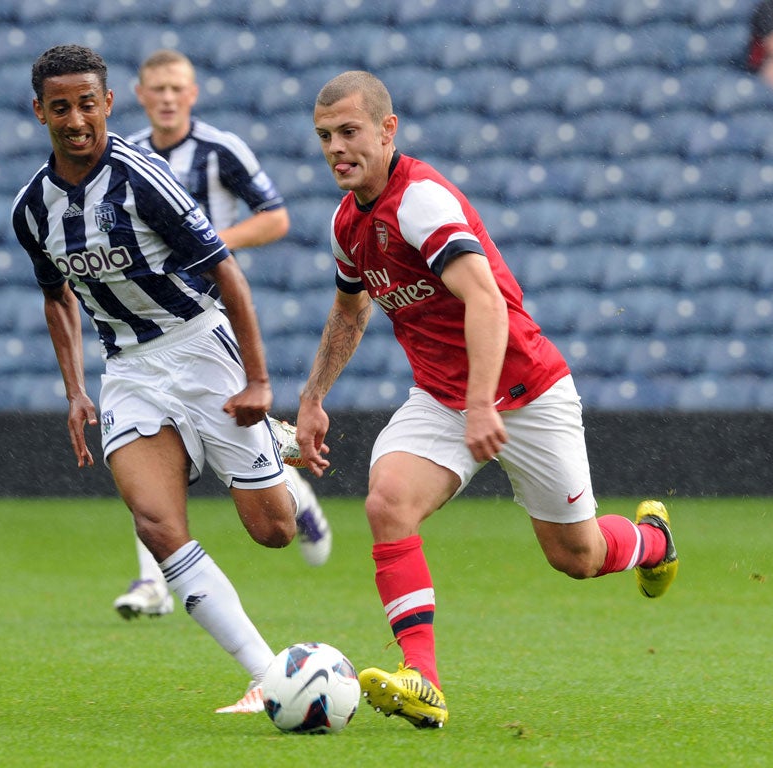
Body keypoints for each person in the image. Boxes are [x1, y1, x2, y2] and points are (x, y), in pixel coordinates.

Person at [295, 71, 679, 729]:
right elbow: (348, 311)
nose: (336, 147)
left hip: (526, 393)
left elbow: (486, 302)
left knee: (577, 558)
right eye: (326, 135)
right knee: (387, 501)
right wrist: (312, 398)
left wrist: (482, 404)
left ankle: (652, 542)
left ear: (388, 131)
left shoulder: (421, 202)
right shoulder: (346, 224)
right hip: (445, 401)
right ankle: (424, 679)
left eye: (350, 132)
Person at [12, 44, 310, 714]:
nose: (76, 118)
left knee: (274, 532)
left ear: (108, 104)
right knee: (154, 521)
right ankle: (267, 675)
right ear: (40, 112)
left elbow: (225, 271)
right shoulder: (32, 209)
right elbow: (56, 296)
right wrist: (76, 390)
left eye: (88, 103)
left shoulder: (143, 177)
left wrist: (258, 382)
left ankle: (272, 439)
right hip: (130, 371)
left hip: (200, 348)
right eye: (61, 107)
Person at [112, 49, 330, 622]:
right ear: (140, 94)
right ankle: (152, 582)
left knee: (217, 441)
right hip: (150, 324)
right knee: (150, 437)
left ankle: (278, 474)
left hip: (211, 314)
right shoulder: (125, 156)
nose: (165, 97)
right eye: (156, 87)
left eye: (175, 87)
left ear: (192, 93)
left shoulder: (219, 149)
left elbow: (276, 216)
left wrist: (208, 239)